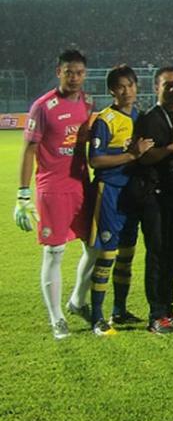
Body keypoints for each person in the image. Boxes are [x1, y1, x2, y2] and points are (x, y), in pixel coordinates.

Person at [14, 49, 97, 340]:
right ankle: (56, 318)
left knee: (96, 247)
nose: (74, 78)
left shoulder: (88, 103)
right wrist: (23, 194)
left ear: (84, 74)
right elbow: (28, 150)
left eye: (79, 73)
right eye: (68, 72)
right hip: (53, 189)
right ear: (58, 71)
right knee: (55, 252)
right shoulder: (42, 106)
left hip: (81, 185)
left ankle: (77, 301)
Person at [85, 65, 154, 336]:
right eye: (121, 86)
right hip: (109, 193)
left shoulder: (140, 117)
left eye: (131, 85)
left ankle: (119, 310)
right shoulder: (105, 120)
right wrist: (131, 156)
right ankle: (97, 318)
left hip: (132, 195)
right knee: (108, 254)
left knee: (127, 255)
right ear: (112, 91)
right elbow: (95, 160)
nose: (127, 91)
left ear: (137, 87)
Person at [130, 67, 173, 333]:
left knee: (172, 253)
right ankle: (156, 315)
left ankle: (167, 308)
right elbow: (143, 157)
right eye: (167, 84)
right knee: (157, 253)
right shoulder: (149, 119)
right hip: (153, 195)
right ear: (156, 87)